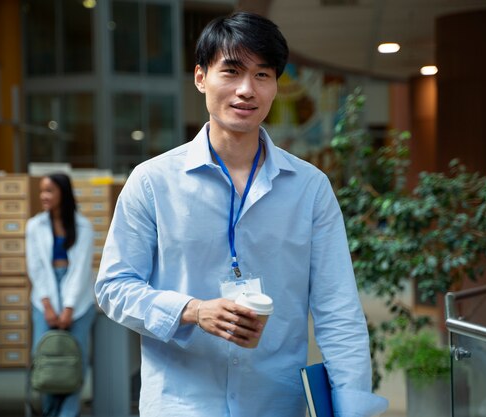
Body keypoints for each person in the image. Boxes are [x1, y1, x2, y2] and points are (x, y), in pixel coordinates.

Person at [95, 11, 388, 417]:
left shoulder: (310, 188)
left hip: (275, 402)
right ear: (201, 78)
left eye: (262, 75)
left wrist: (351, 408)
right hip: (181, 403)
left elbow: (338, 308)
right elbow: (113, 286)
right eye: (231, 71)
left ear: (275, 85)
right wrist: (193, 310)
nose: (246, 90)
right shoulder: (152, 181)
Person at [26, 173, 96, 417]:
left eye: (50, 191)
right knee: (45, 358)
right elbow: (35, 267)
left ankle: (67, 413)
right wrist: (47, 306)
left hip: (79, 300)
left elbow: (80, 271)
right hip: (44, 297)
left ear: (63, 194)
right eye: (42, 191)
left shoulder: (84, 226)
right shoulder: (34, 225)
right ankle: (50, 411)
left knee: (73, 361)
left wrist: (68, 309)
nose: (44, 196)